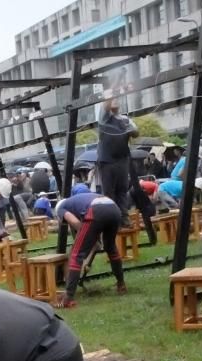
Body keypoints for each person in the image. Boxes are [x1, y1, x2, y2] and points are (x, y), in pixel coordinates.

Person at [55, 193, 126, 308]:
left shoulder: (61, 208)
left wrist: (90, 238)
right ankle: (121, 285)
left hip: (96, 210)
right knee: (111, 248)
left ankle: (68, 297)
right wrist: (93, 238)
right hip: (114, 208)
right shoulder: (77, 201)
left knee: (76, 254)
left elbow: (76, 222)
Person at [96, 98, 138, 227]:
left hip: (122, 159)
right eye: (111, 100)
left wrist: (130, 129)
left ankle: (124, 218)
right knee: (109, 192)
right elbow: (106, 105)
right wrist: (111, 91)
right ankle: (112, 220)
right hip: (107, 160)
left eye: (116, 100)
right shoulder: (104, 117)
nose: (114, 101)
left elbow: (136, 132)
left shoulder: (125, 119)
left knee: (122, 190)